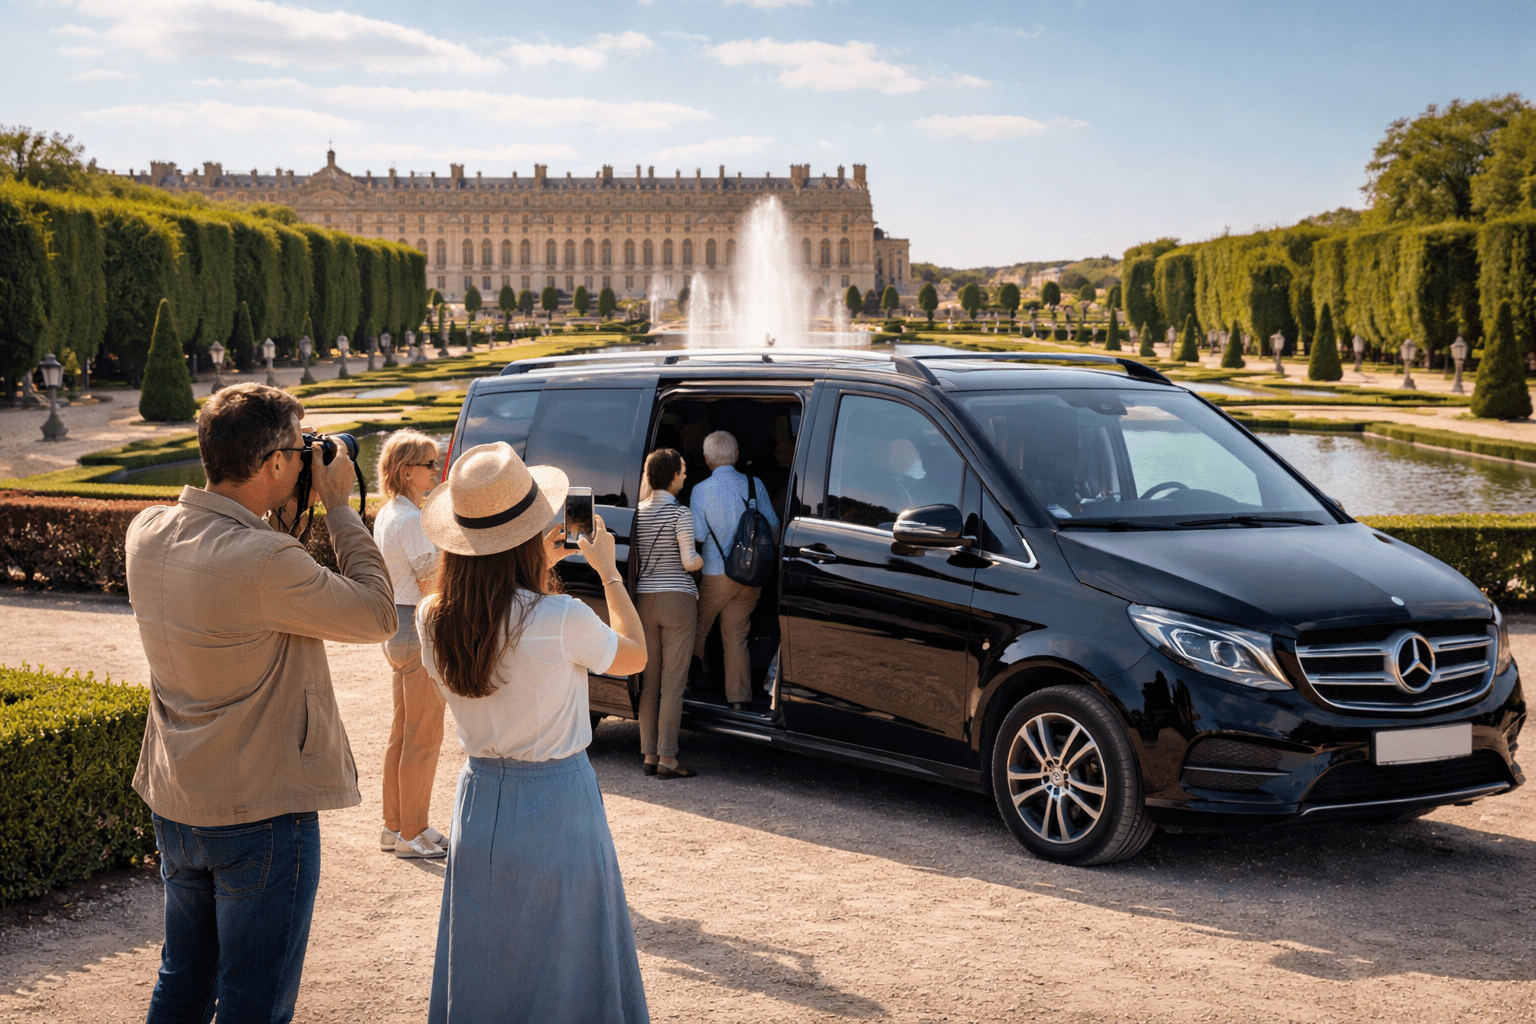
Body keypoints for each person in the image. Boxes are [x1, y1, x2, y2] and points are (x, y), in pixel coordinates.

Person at [126, 382, 397, 1024]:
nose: (309, 459)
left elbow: (243, 565)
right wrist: (337, 506)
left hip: (179, 801)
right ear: (274, 462)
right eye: (302, 451)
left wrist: (284, 511)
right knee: (254, 1003)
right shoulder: (266, 560)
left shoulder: (150, 529)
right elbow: (380, 613)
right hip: (260, 813)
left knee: (183, 983)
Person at [415, 442, 650, 1024]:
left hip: (481, 796)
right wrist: (607, 572)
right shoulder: (560, 619)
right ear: (525, 538)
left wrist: (535, 567)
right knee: (570, 953)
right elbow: (636, 656)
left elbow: (495, 617)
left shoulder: (431, 617)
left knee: (488, 950)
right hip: (558, 797)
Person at [373, 429, 449, 859]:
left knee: (402, 733)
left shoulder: (390, 513)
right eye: (429, 465)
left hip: (394, 627)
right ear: (406, 471)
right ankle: (412, 833)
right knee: (424, 737)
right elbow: (432, 583)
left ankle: (395, 825)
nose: (434, 472)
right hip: (416, 629)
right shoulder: (410, 519)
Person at [690, 430, 779, 710]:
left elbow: (699, 535)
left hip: (716, 574)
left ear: (706, 460)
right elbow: (774, 529)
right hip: (751, 575)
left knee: (696, 629)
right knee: (737, 636)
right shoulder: (756, 485)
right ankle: (738, 699)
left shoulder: (700, 490)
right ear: (737, 455)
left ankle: (682, 687)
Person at [633, 448, 704, 778]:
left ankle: (648, 754)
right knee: (673, 685)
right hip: (677, 601)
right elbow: (689, 561)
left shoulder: (638, 513)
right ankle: (668, 759)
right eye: (684, 471)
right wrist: (705, 561)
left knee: (650, 684)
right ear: (672, 476)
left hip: (644, 601)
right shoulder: (681, 514)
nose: (686, 476)